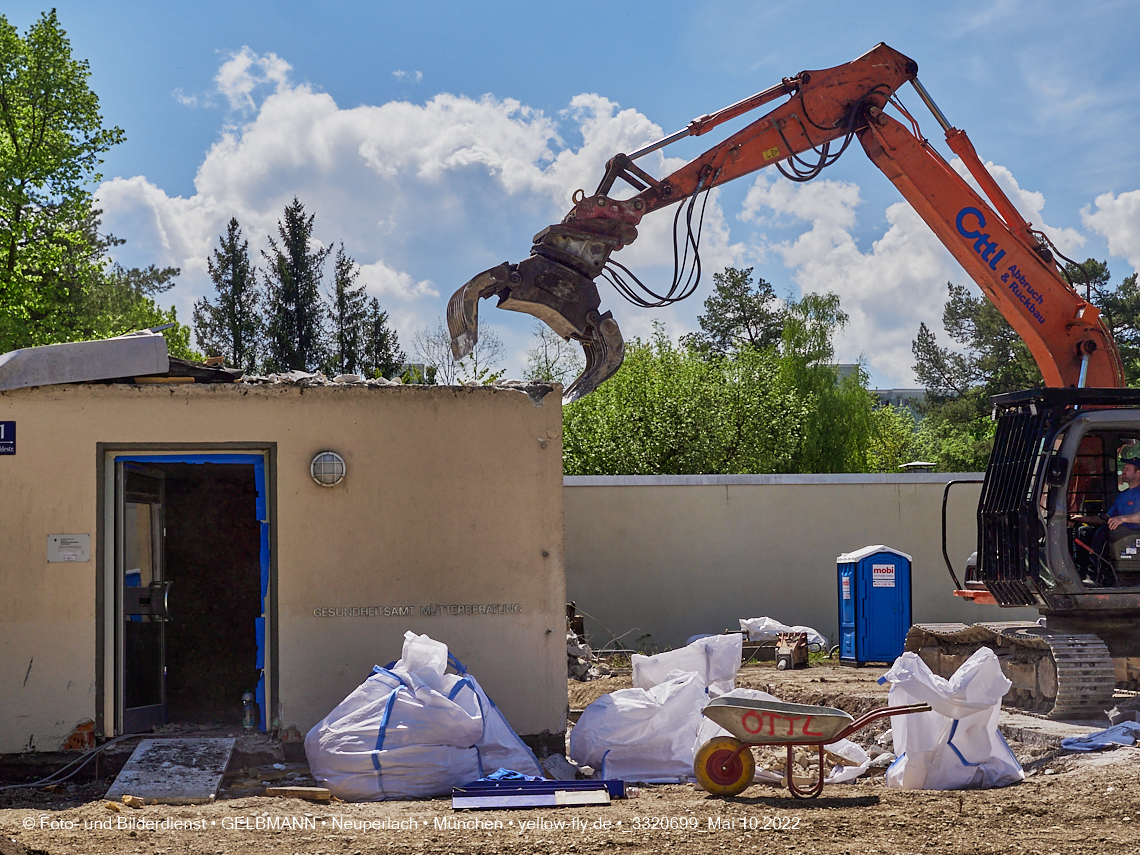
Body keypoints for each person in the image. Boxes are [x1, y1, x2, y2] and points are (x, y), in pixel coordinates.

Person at [1074, 457, 1140, 584]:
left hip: (1134, 534)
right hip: (1119, 533)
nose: (1123, 471)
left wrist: (1123, 518)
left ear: (1138, 473)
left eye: (1127, 469)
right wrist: (1081, 519)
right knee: (1084, 531)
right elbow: (1107, 518)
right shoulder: (1122, 496)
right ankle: (1081, 573)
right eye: (1123, 468)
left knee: (1104, 532)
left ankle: (1098, 577)